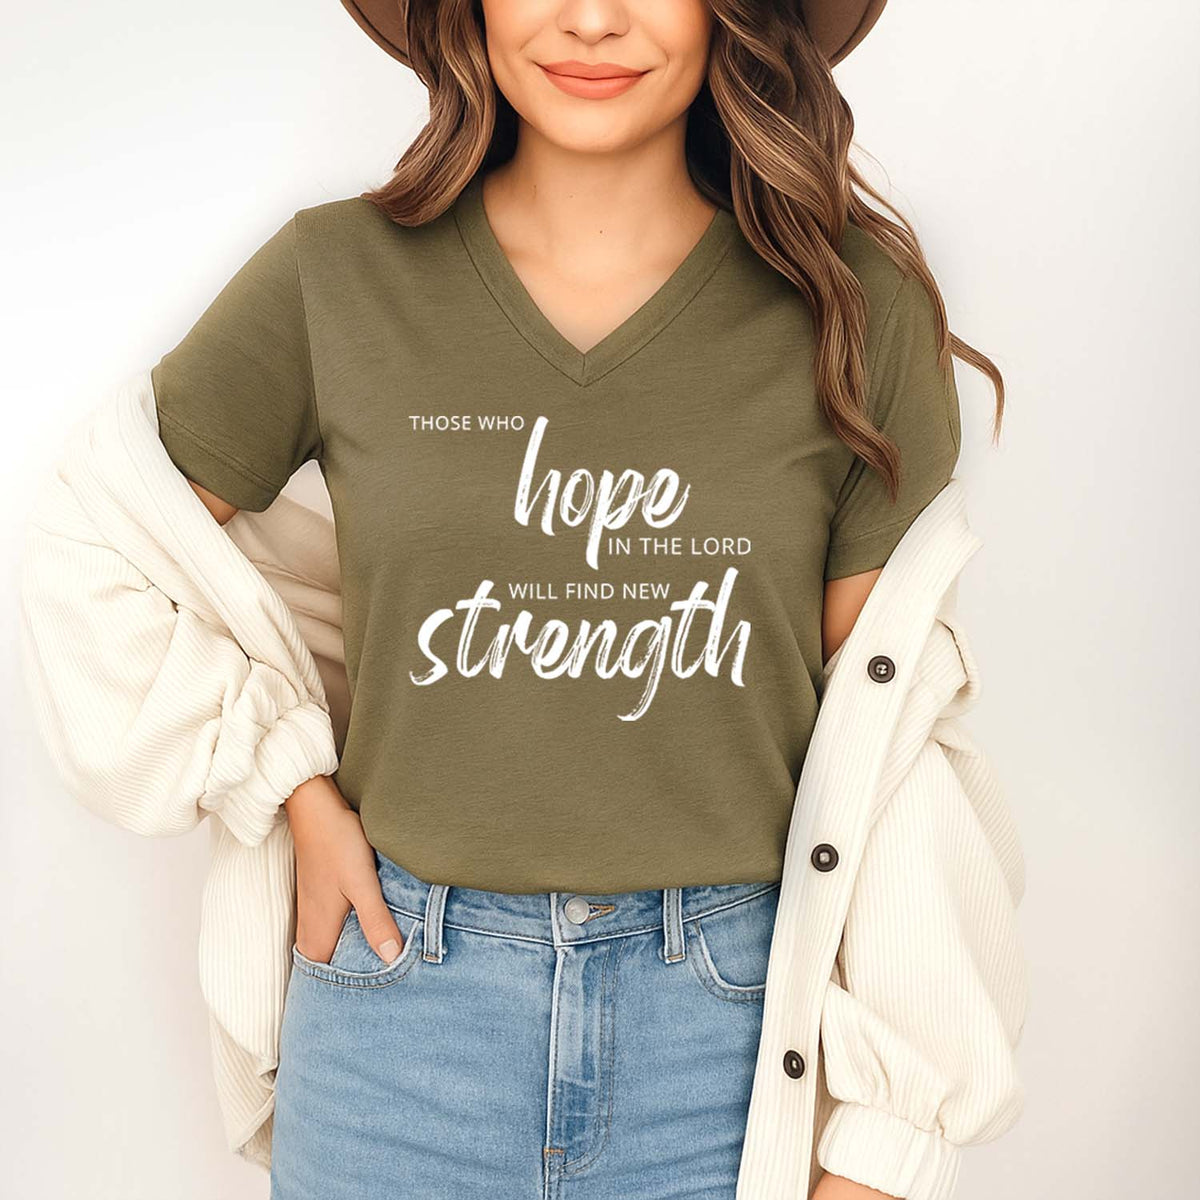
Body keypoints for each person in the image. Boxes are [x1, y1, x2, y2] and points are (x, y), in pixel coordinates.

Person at [31, 1, 1023, 1197]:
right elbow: (93, 543)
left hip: (734, 1040)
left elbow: (892, 744)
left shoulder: (851, 307)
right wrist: (283, 782)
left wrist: (887, 1144)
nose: (591, 19)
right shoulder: (333, 278)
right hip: (400, 1023)